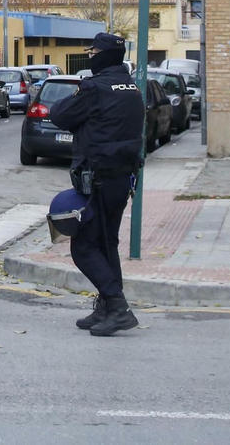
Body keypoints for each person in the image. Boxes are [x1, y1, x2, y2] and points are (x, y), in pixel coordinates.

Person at [49, 32, 145, 337]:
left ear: (101, 56)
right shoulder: (132, 87)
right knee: (107, 243)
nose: (90, 56)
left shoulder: (94, 87)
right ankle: (106, 306)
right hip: (123, 177)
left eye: (92, 52)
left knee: (84, 246)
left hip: (99, 179)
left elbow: (59, 115)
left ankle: (118, 307)